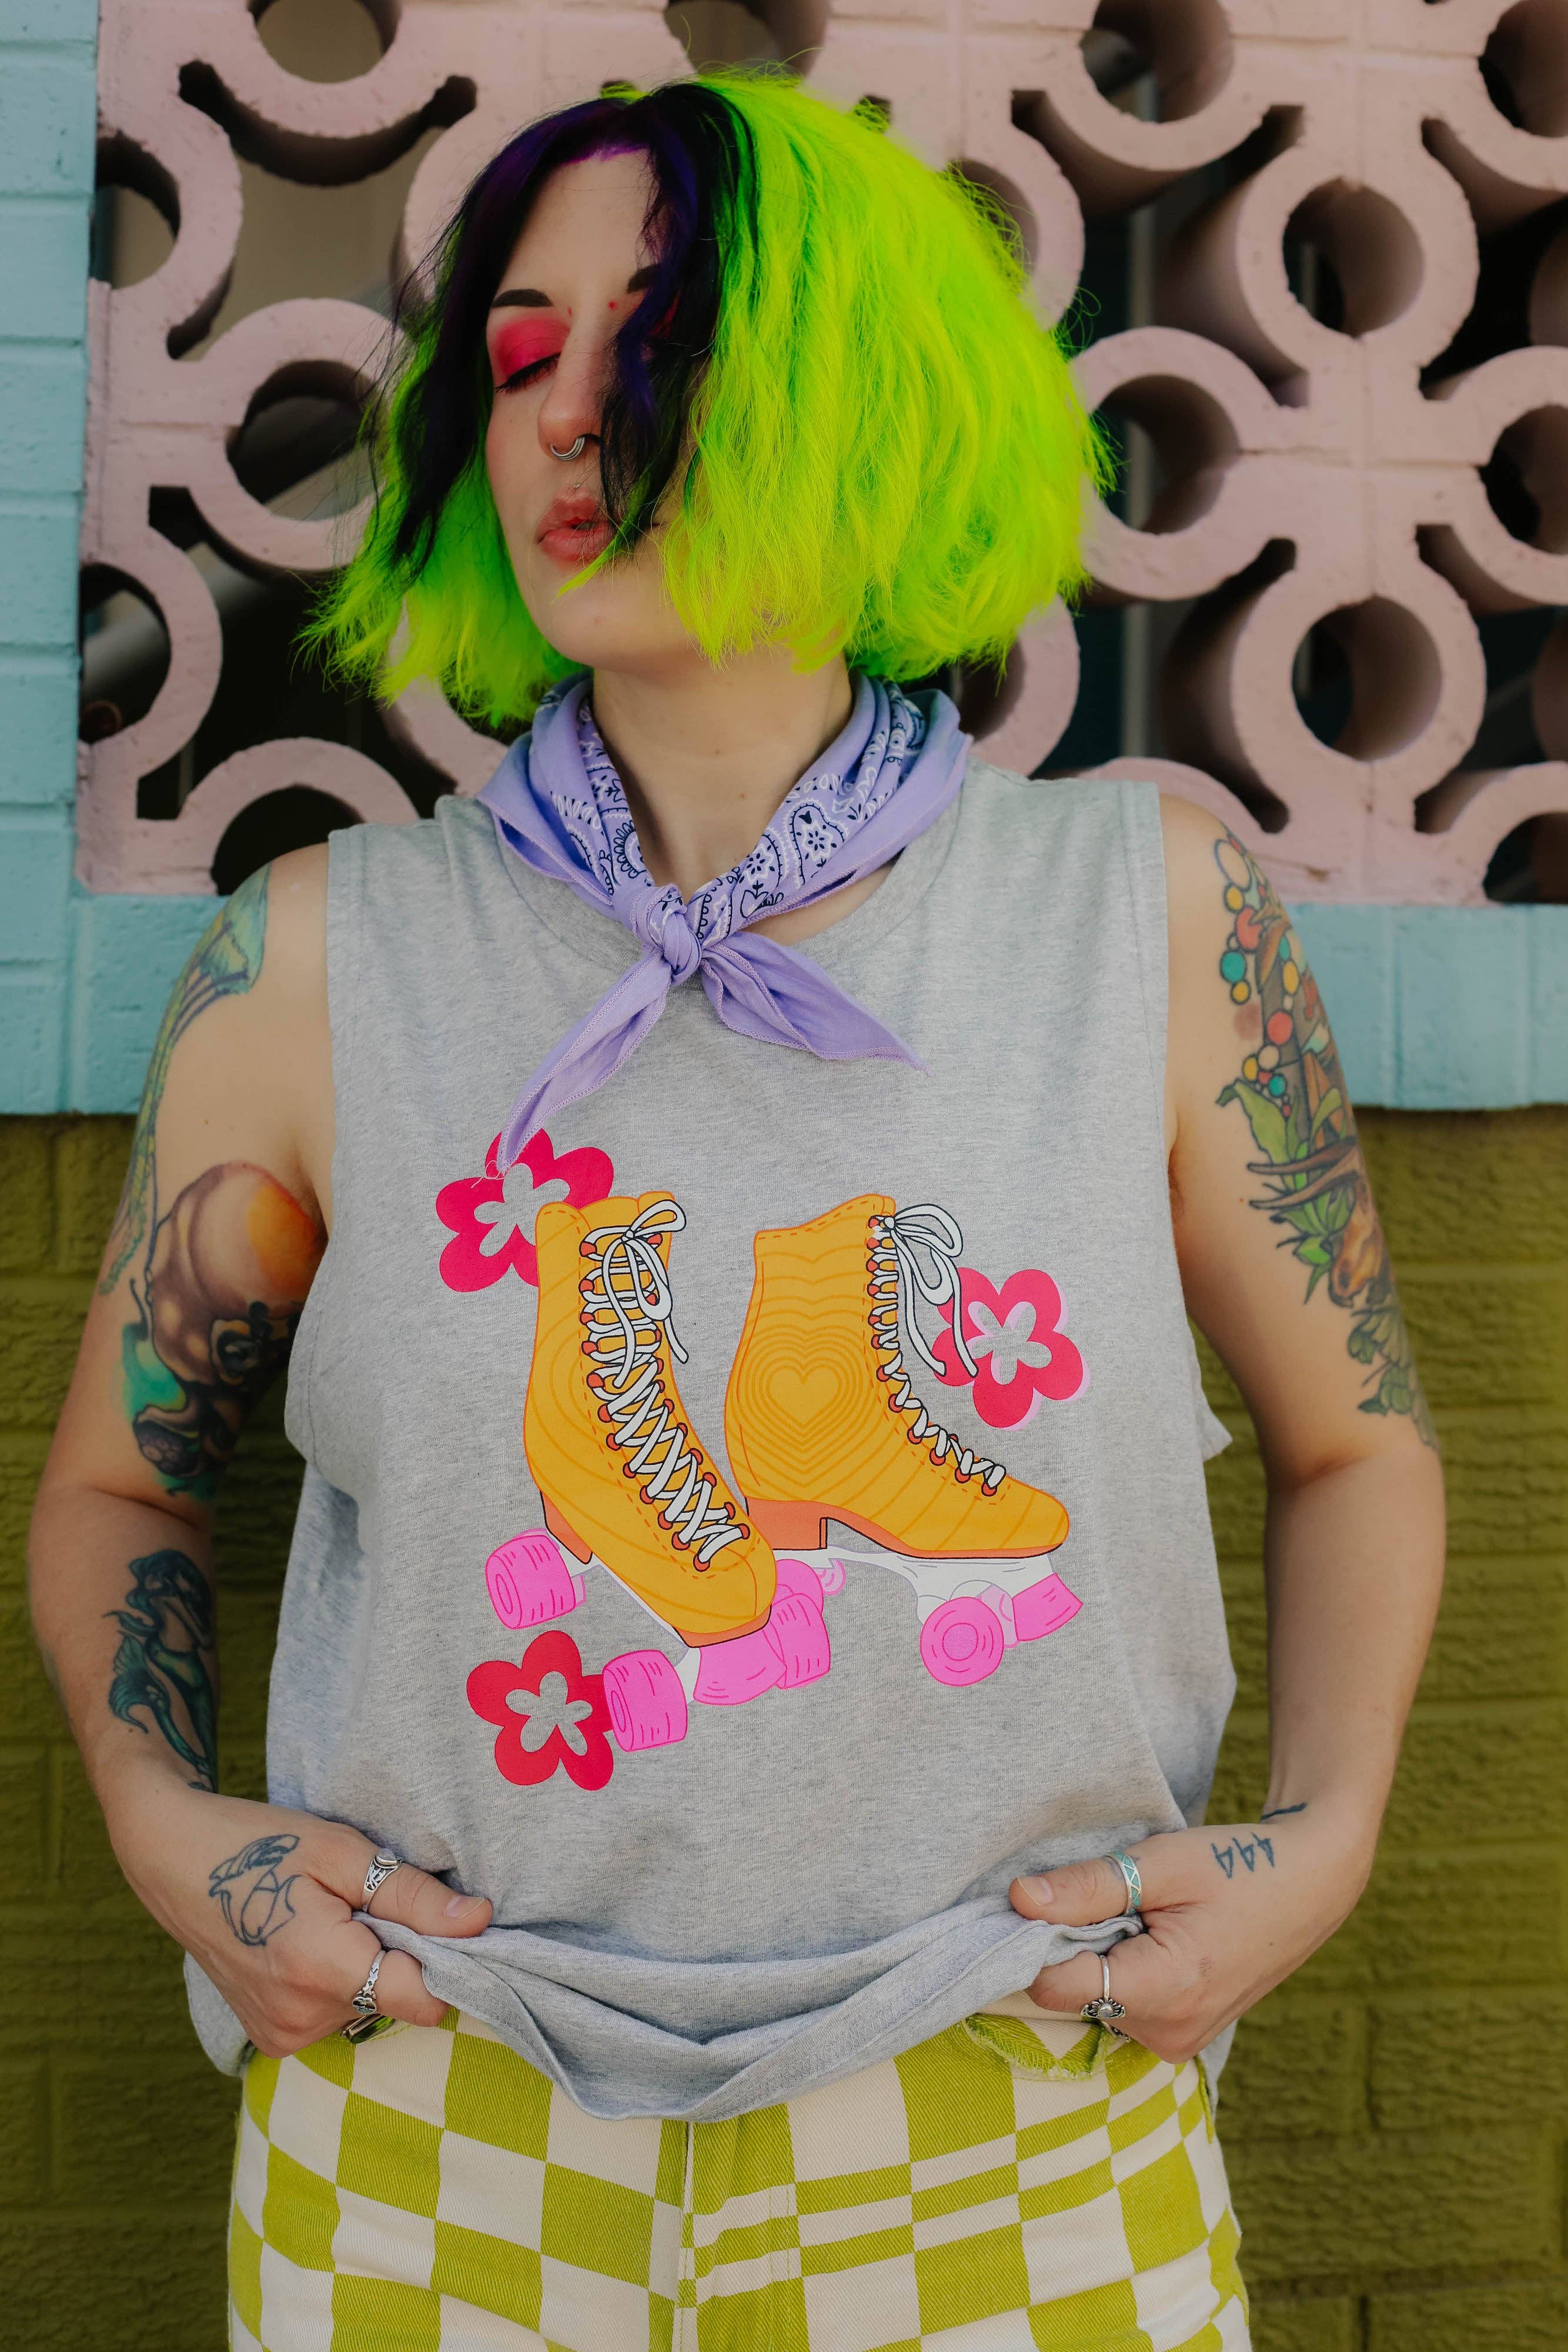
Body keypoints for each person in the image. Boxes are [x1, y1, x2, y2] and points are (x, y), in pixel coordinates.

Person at [31, 71, 1444, 2352]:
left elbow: (1355, 1438)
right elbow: (121, 1484)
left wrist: (1329, 1835)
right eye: (519, 350)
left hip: (1016, 2090)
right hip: (430, 2110)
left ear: (872, 391)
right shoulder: (310, 957)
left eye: (664, 338)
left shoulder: (1148, 913)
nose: (570, 411)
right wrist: (157, 1816)